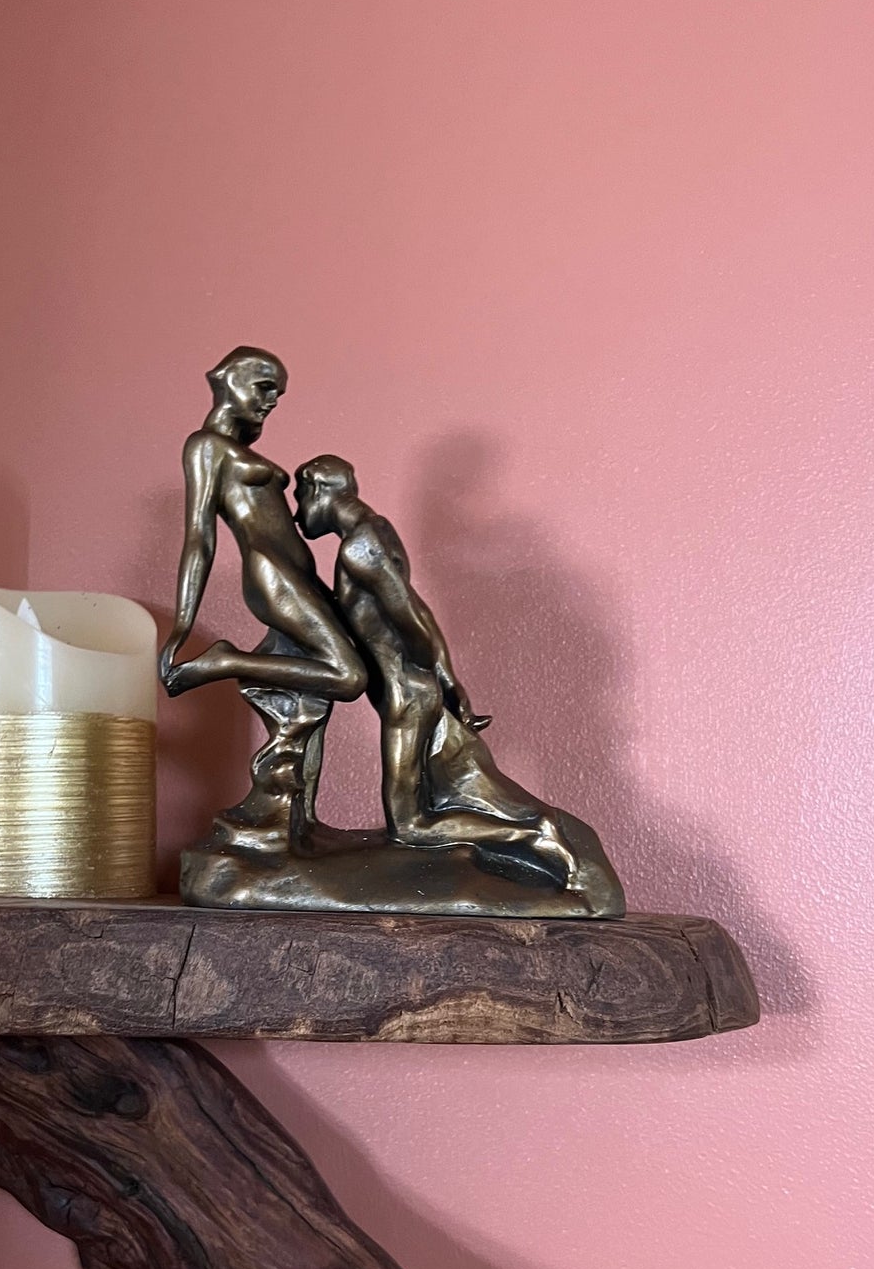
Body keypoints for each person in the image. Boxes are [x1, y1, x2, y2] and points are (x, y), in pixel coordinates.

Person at [294, 454, 584, 888]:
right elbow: (419, 609)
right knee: (442, 800)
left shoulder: (360, 545)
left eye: (299, 497)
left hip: (406, 696)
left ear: (317, 488)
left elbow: (410, 617)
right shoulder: (377, 530)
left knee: (409, 825)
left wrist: (418, 674)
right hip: (415, 690)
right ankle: (528, 833)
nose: (297, 514)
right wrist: (446, 678)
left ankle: (531, 836)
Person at [159, 350, 368, 706]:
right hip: (271, 574)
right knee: (350, 677)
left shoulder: (238, 451)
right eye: (264, 387)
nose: (271, 401)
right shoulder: (206, 445)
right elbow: (200, 538)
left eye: (277, 394)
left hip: (301, 577)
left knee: (367, 658)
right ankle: (226, 661)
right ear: (231, 379)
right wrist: (182, 625)